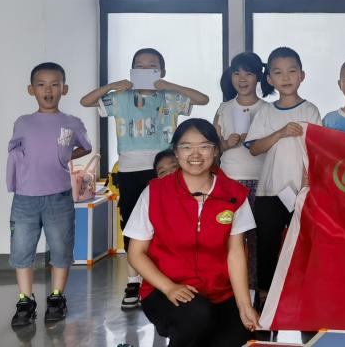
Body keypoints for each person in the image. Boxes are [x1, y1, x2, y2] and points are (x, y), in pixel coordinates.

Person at [80, 47, 209, 310]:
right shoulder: (121, 97)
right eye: (139, 66)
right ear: (131, 70)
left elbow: (203, 99)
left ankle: (168, 277)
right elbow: (86, 101)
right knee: (132, 225)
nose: (145, 70)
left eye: (152, 66)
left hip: (166, 168)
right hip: (130, 169)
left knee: (169, 224)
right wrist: (113, 85)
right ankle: (133, 282)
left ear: (161, 71)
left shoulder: (169, 96)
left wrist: (169, 85)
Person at [124, 118, 259, 346]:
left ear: (216, 151)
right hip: (163, 290)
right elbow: (136, 253)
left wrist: (245, 305)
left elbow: (235, 253)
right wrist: (168, 287)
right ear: (176, 153)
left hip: (219, 293)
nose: (195, 154)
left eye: (204, 146)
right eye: (186, 147)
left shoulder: (234, 194)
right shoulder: (155, 192)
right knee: (196, 316)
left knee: (240, 336)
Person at [7, 62, 93, 327]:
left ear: (64, 89)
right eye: (42, 85)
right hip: (25, 198)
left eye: (55, 85)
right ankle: (25, 300)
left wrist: (66, 156)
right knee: (22, 249)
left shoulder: (72, 123)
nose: (48, 90)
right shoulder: (23, 123)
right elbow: (15, 152)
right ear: (31, 89)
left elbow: (86, 147)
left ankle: (57, 297)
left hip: (58, 196)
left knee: (61, 248)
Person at [246, 47, 321, 294]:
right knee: (267, 246)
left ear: (302, 75)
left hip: (302, 191)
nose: (286, 77)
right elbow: (254, 148)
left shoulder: (310, 110)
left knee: (305, 245)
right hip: (269, 191)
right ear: (269, 79)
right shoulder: (265, 111)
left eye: (292, 71)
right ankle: (265, 298)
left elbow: (317, 149)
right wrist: (280, 133)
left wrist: (310, 179)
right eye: (278, 72)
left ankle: (304, 295)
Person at [214, 51, 273, 295]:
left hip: (262, 179)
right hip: (230, 180)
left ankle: (254, 290)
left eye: (248, 73)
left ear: (258, 77)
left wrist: (257, 141)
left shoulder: (268, 109)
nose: (242, 78)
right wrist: (226, 144)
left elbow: (276, 146)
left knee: (257, 238)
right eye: (237, 73)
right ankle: (228, 288)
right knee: (228, 236)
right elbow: (212, 147)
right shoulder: (224, 108)